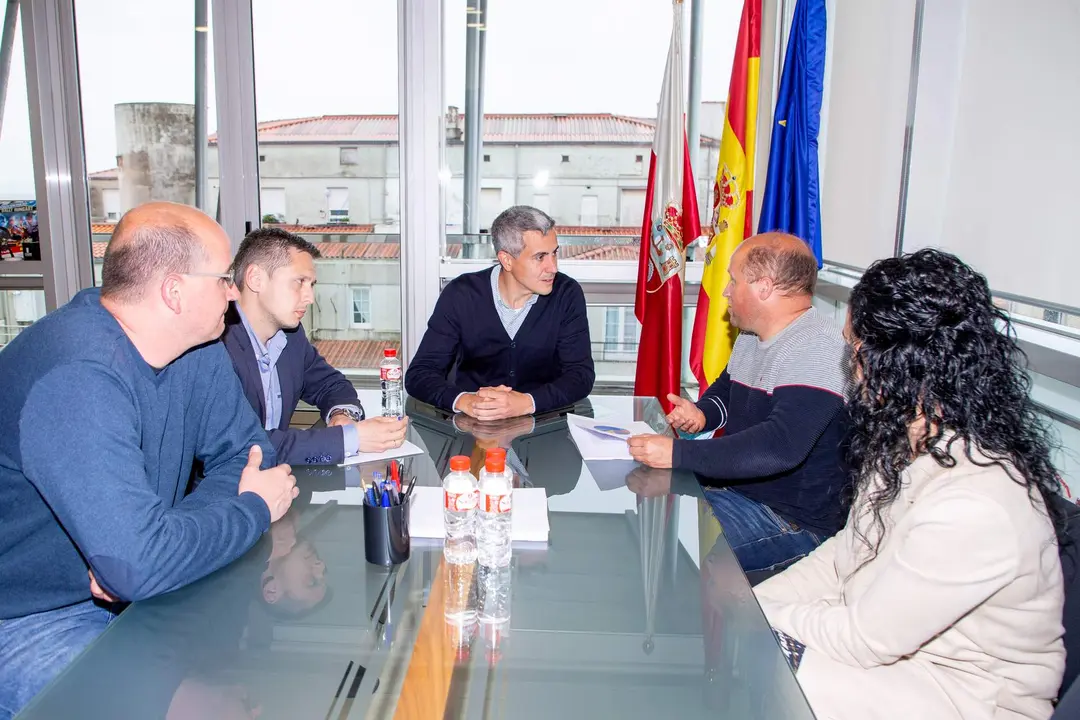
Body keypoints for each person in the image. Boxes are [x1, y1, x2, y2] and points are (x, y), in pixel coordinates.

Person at [0, 202, 299, 720]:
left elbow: (248, 454)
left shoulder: (195, 346)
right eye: (224, 278)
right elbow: (139, 564)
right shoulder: (77, 376)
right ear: (174, 290)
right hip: (27, 616)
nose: (234, 292)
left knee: (251, 683)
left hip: (134, 588)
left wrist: (158, 539)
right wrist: (250, 509)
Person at [755, 249, 1066, 720]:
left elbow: (864, 639)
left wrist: (754, 621)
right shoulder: (909, 441)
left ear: (894, 364)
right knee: (748, 655)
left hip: (964, 699)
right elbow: (845, 556)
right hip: (897, 662)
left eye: (854, 350)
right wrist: (756, 602)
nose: (851, 368)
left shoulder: (978, 501)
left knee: (762, 667)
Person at [628, 232, 849, 573]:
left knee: (674, 548)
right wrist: (702, 414)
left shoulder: (819, 348)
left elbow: (779, 446)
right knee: (648, 513)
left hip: (791, 521)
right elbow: (726, 393)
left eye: (733, 280)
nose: (727, 290)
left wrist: (676, 453)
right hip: (738, 493)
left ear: (763, 287)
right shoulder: (750, 335)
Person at [223, 227, 407, 465]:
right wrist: (349, 439)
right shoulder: (216, 345)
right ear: (256, 279)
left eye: (311, 285)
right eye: (299, 282)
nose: (309, 297)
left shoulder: (290, 336)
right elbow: (245, 446)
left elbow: (331, 384)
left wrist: (343, 415)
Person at [404, 205, 595, 420]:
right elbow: (419, 374)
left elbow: (581, 375)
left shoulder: (566, 294)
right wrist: (466, 400)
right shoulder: (462, 294)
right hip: (472, 432)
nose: (553, 267)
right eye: (540, 257)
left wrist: (527, 402)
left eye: (554, 253)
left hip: (545, 429)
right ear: (506, 260)